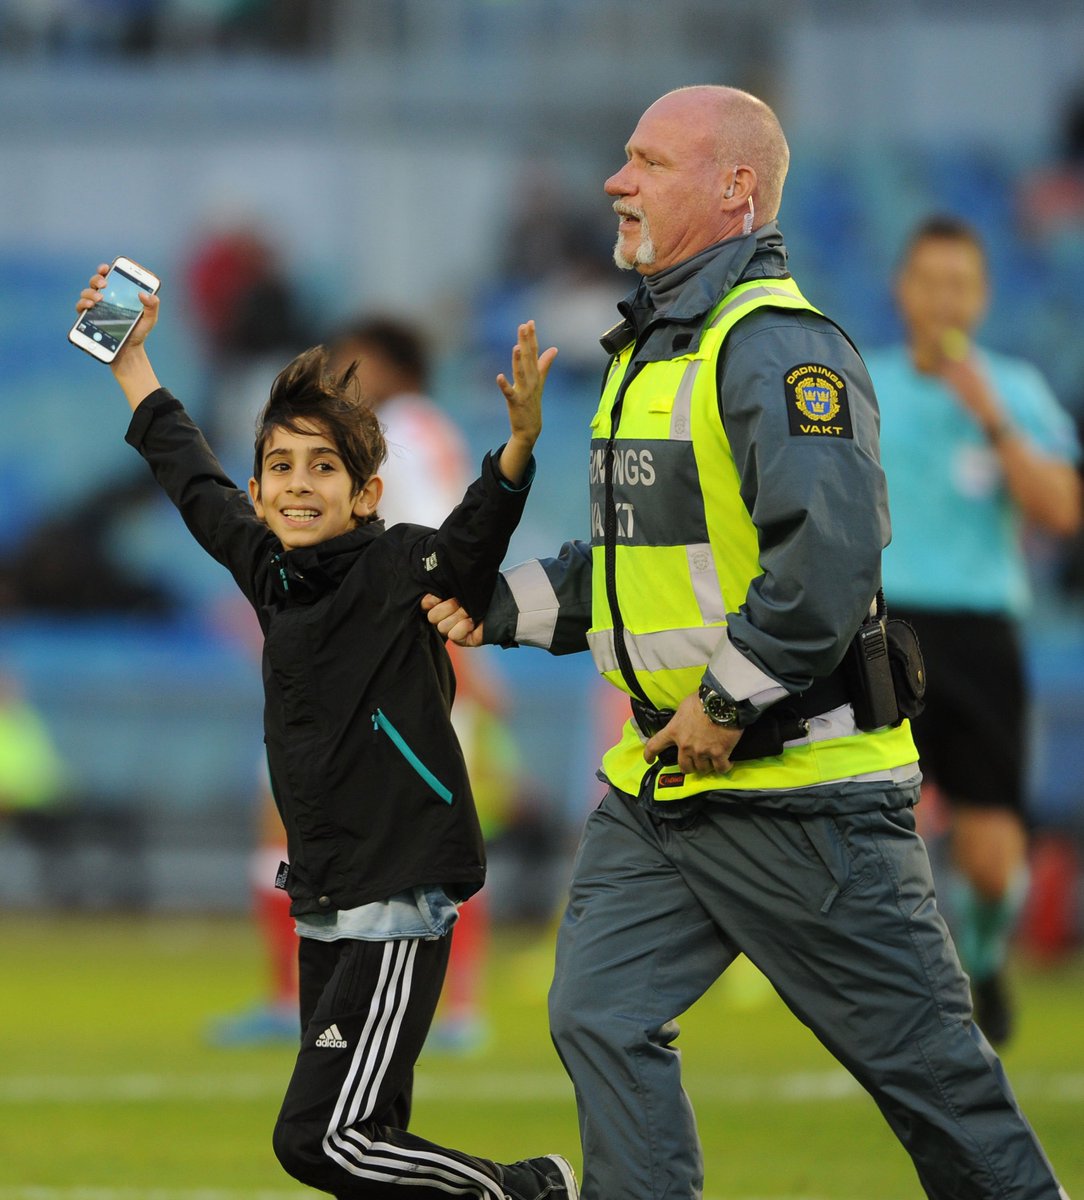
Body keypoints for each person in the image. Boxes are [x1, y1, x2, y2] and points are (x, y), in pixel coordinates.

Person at [424, 86, 1070, 1200]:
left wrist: (722, 704)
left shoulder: (777, 349)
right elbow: (625, 573)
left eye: (646, 162)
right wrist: (485, 611)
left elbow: (827, 562)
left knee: (939, 1092)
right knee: (598, 1013)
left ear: (734, 190)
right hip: (670, 786)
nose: (616, 182)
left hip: (809, 792)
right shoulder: (648, 351)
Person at [73, 265, 577, 1200]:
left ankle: (527, 1190)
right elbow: (188, 473)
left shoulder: (395, 564)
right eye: (280, 467)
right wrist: (130, 359)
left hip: (399, 895)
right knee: (370, 1140)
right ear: (260, 489)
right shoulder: (269, 572)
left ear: (366, 491)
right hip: (329, 900)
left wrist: (515, 448)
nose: (298, 485)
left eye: (324, 468)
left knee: (322, 1141)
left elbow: (468, 544)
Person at [865, 215, 1083, 1046]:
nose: (945, 298)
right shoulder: (861, 385)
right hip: (883, 626)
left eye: (962, 283)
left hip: (983, 631)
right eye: (931, 281)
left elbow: (1061, 512)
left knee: (994, 859)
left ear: (983, 296)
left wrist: (991, 415)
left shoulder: (1016, 391)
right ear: (903, 289)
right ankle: (893, 1001)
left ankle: (985, 960)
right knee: (873, 832)